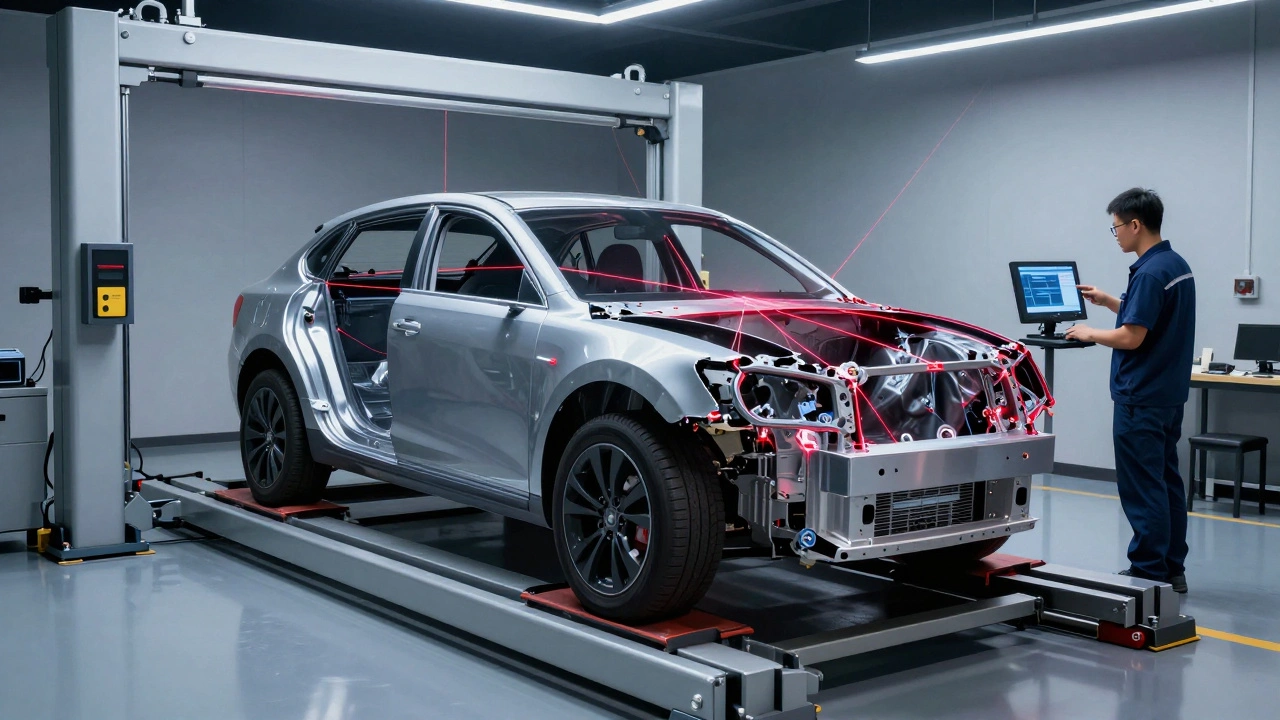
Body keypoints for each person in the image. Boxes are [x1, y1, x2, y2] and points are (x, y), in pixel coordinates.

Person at [1065, 188, 1195, 593]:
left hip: (1141, 397)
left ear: (1135, 224)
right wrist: (1108, 301)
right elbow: (1150, 318)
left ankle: (1147, 573)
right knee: (1166, 480)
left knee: (1143, 486)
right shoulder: (1174, 265)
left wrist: (1090, 332)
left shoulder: (1150, 272)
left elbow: (1133, 336)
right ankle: (1173, 567)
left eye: (1117, 227)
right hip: (1168, 396)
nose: (1116, 234)